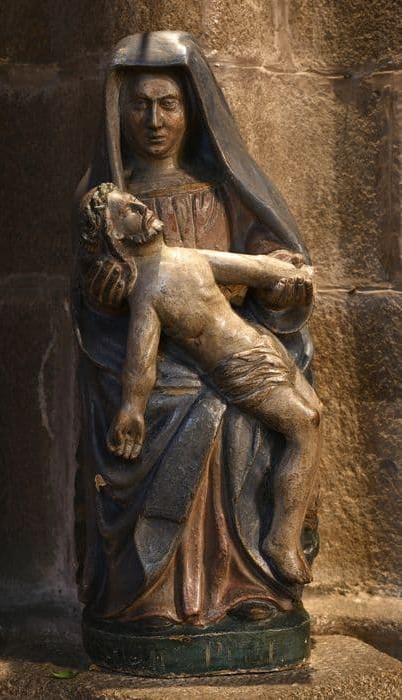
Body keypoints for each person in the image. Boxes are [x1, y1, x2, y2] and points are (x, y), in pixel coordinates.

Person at [73, 32, 319, 627]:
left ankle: (251, 581)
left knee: (252, 421)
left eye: (168, 104)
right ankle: (149, 596)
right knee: (180, 405)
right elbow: (103, 316)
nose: (154, 120)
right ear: (120, 112)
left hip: (234, 339)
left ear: (193, 109)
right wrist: (102, 296)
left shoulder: (224, 188)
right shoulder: (105, 204)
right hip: (160, 364)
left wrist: (280, 279)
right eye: (139, 105)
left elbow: (261, 257)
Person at [80, 183, 322, 586]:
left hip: (263, 345)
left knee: (315, 415)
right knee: (304, 426)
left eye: (135, 202)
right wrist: (132, 409)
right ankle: (281, 540)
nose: (141, 208)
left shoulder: (188, 257)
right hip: (237, 367)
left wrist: (288, 270)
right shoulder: (146, 291)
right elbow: (141, 362)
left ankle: (285, 533)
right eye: (126, 211)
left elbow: (253, 269)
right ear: (115, 235)